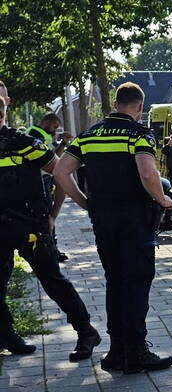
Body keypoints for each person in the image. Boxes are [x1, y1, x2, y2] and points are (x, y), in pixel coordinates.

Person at [54, 82, 172, 373]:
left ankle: (116, 351)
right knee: (136, 283)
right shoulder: (139, 134)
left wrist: (85, 203)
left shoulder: (88, 135)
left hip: (103, 220)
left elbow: (60, 171)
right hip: (135, 219)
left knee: (115, 281)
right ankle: (137, 353)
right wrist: (163, 199)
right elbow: (147, 173)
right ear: (139, 106)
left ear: (117, 103)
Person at [0, 98, 100, 360]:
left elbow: (61, 173)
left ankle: (86, 331)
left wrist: (54, 214)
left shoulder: (23, 144)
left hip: (30, 226)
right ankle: (6, 335)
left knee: (53, 281)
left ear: (2, 115)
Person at [27, 112, 71, 261]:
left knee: (47, 215)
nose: (54, 130)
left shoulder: (41, 134)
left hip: (44, 179)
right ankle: (49, 251)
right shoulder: (35, 135)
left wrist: (63, 144)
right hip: (39, 181)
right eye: (54, 127)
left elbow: (53, 157)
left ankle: (51, 249)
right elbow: (46, 160)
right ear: (46, 122)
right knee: (46, 216)